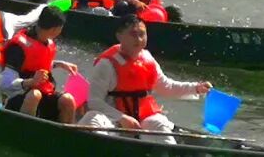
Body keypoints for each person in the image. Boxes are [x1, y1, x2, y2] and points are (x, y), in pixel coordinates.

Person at [82, 16, 211, 144]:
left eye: (142, 34)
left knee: (159, 123)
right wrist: (122, 118)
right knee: (92, 118)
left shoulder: (148, 60)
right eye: (133, 34)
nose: (138, 39)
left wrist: (196, 88)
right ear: (119, 36)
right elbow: (94, 102)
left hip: (142, 120)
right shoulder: (106, 64)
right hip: (112, 119)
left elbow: (167, 87)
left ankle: (170, 151)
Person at [0, 6, 78, 123]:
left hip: (43, 94)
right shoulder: (18, 47)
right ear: (55, 29)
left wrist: (59, 64)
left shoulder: (48, 43)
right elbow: (4, 83)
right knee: (34, 95)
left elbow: (36, 65)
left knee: (68, 100)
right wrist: (30, 82)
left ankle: (65, 138)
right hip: (18, 97)